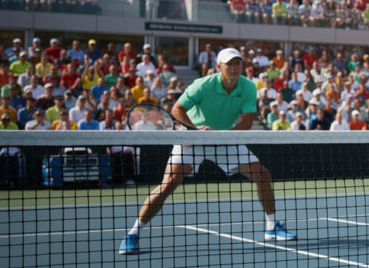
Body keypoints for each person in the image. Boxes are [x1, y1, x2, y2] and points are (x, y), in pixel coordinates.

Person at [118, 48, 295, 255]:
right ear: (219, 67)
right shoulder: (202, 85)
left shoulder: (248, 86)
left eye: (237, 63)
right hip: (194, 138)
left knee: (262, 174)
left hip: (224, 138)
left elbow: (247, 122)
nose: (234, 67)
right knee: (169, 184)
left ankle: (272, 227)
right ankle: (133, 233)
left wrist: (223, 136)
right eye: (229, 64)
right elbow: (176, 109)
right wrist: (195, 130)